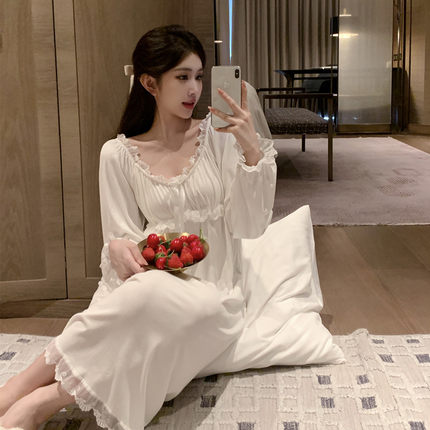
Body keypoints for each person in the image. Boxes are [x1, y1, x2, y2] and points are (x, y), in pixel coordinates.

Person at [0, 25, 342, 430]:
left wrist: (251, 150)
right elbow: (121, 238)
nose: (194, 89)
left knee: (147, 300)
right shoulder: (117, 155)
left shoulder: (219, 138)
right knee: (145, 296)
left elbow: (249, 225)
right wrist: (117, 248)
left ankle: (37, 400)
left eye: (198, 76)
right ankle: (20, 392)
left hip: (216, 295)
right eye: (182, 77)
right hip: (150, 284)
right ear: (150, 83)